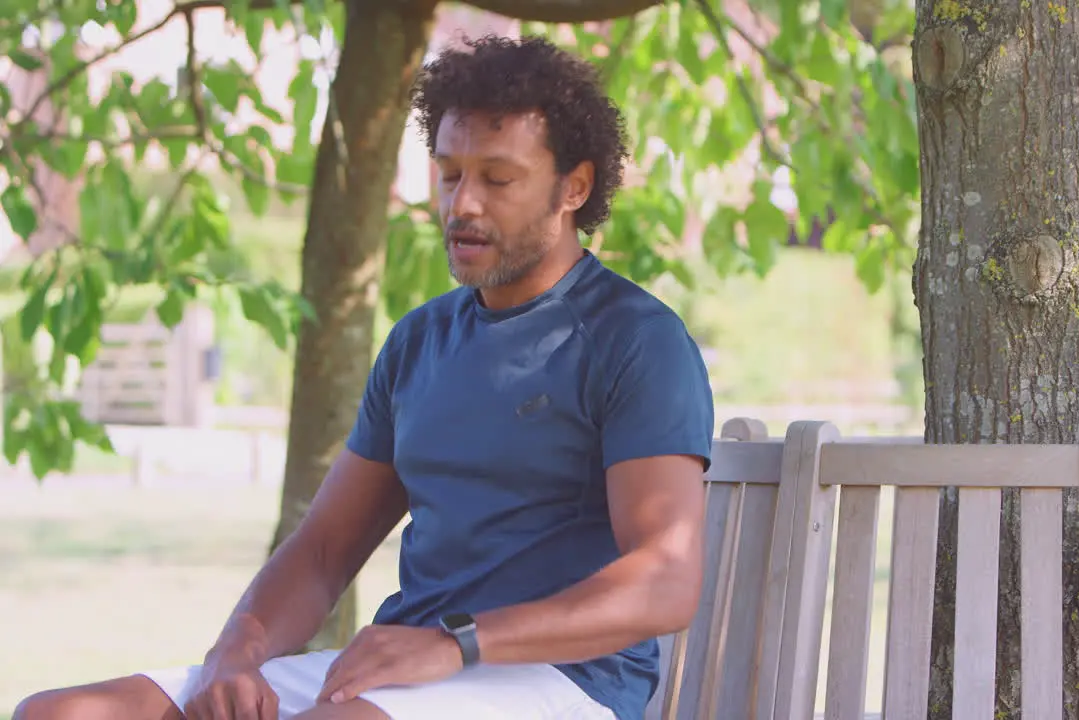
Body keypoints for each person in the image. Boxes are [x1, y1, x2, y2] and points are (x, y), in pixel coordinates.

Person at [15, 34, 714, 720]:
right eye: (448, 173)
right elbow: (322, 551)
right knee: (61, 713)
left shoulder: (634, 341)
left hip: (556, 682)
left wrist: (454, 644)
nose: (462, 204)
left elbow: (664, 581)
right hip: (406, 667)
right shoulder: (421, 341)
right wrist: (236, 655)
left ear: (575, 186)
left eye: (497, 179)